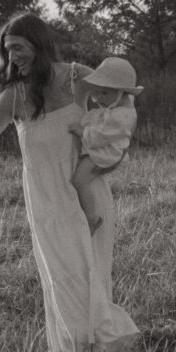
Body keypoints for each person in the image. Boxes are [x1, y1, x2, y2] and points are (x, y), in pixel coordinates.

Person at [0, 13, 139, 352]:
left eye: (18, 47)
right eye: (7, 50)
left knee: (94, 277)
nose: (12, 57)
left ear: (39, 44)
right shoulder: (11, 97)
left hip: (88, 194)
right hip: (47, 202)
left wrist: (111, 150)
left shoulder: (77, 77)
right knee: (65, 281)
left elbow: (123, 99)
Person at [69, 57, 142, 235]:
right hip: (105, 149)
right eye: (98, 92)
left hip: (104, 154)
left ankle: (92, 218)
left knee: (79, 181)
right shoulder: (119, 107)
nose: (98, 98)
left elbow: (101, 136)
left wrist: (82, 132)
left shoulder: (121, 116)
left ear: (121, 93)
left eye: (104, 93)